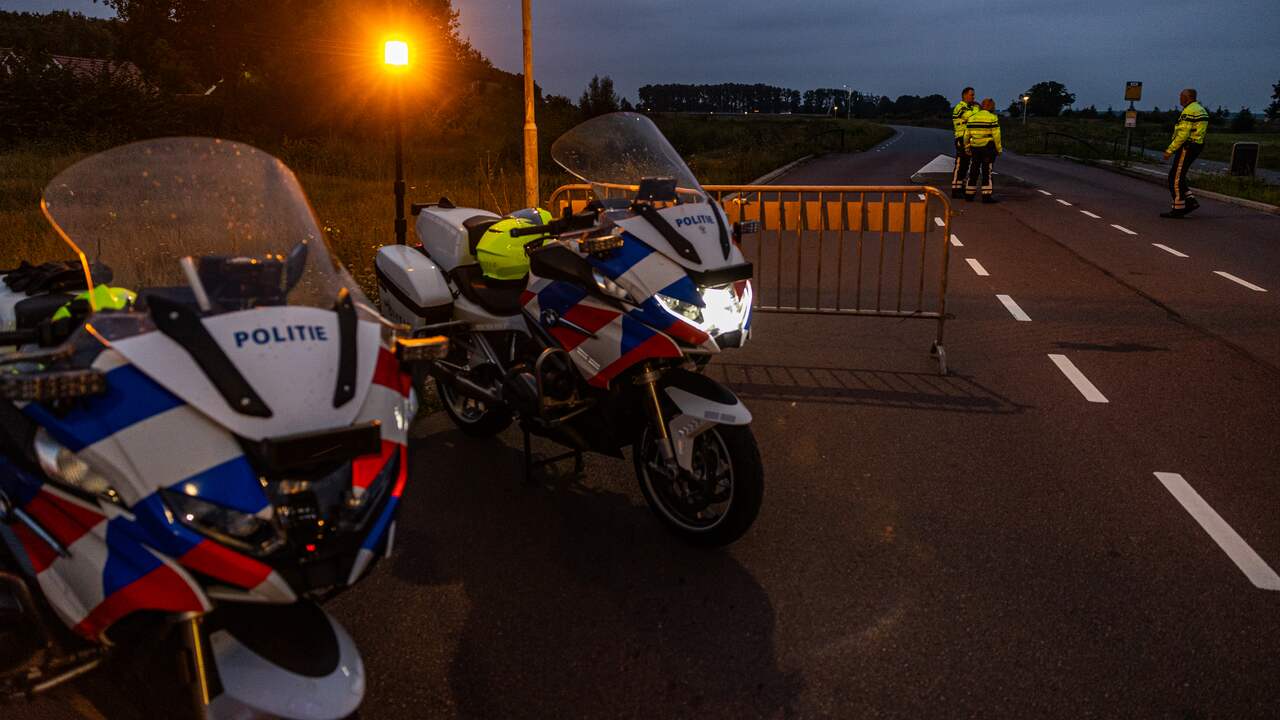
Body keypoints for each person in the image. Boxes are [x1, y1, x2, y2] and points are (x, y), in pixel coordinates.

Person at [1161, 88, 1209, 218]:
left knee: (1175, 178)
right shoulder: (1200, 109)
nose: (1179, 99)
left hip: (1188, 146)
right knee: (1178, 175)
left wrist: (1170, 150)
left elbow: (1183, 134)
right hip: (1196, 145)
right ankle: (1190, 201)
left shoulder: (1189, 111)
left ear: (1188, 97)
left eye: (1181, 96)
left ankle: (1178, 208)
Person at [964, 98, 1002, 203]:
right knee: (987, 172)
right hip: (988, 148)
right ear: (992, 106)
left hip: (975, 147)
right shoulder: (992, 118)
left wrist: (967, 146)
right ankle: (986, 196)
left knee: (973, 170)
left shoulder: (972, 118)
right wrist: (999, 149)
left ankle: (969, 194)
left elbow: (967, 135)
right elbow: (996, 135)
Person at [950, 87, 978, 199]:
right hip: (961, 138)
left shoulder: (968, 107)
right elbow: (971, 117)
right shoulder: (960, 107)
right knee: (960, 162)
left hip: (968, 138)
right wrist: (976, 108)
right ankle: (955, 188)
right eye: (972, 95)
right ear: (965, 95)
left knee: (966, 163)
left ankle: (960, 185)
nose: (973, 97)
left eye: (973, 95)